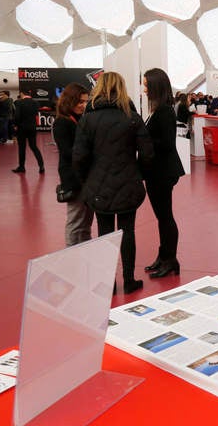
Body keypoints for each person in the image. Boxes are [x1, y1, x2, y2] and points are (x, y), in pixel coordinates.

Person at [73, 72, 154, 294]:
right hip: (129, 182)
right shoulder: (132, 117)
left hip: (98, 185)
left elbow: (79, 157)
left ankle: (107, 284)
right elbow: (147, 153)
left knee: (105, 233)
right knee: (128, 232)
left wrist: (87, 180)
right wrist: (138, 174)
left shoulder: (87, 119)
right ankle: (129, 280)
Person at [142, 68, 186, 278]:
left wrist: (143, 140)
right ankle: (164, 256)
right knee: (162, 217)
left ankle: (170, 259)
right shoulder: (158, 110)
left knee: (166, 217)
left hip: (162, 172)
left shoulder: (165, 111)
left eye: (146, 85)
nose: (144, 89)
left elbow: (166, 143)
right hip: (157, 171)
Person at [53, 83, 94, 246]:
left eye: (85, 102)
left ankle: (84, 251)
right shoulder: (62, 123)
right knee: (76, 220)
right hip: (73, 177)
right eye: (80, 102)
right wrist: (90, 151)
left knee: (86, 221)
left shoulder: (80, 119)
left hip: (84, 176)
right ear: (70, 101)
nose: (83, 105)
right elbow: (67, 152)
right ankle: (71, 252)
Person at [11, 90, 45, 173]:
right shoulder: (36, 103)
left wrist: (15, 124)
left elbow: (17, 115)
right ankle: (41, 166)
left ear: (22, 94)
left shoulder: (19, 102)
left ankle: (21, 167)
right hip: (32, 127)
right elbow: (36, 114)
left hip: (22, 128)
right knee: (34, 147)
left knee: (22, 148)